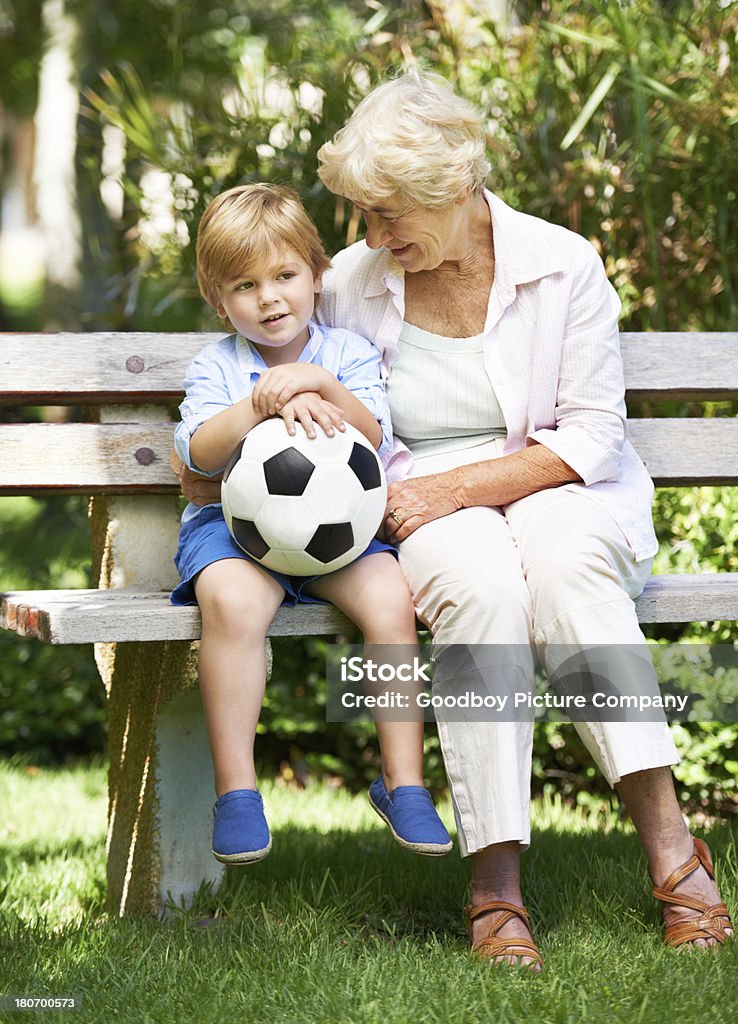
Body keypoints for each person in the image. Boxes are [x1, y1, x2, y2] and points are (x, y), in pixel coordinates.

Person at [174, 77, 733, 966]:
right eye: (361, 214)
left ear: (453, 187)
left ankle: (675, 855)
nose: (372, 236)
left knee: (570, 573)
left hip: (558, 480)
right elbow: (298, 404)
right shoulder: (354, 281)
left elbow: (591, 435)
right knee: (476, 592)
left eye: (388, 214)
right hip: (415, 490)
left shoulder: (563, 264)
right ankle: (496, 883)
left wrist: (468, 488)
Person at [171, 183, 452, 865]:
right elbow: (198, 453)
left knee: (392, 599)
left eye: (285, 276)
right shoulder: (218, 366)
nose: (269, 298)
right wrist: (256, 407)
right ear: (219, 300)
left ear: (317, 277)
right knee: (232, 602)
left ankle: (404, 781)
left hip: (342, 535)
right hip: (236, 536)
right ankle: (237, 790)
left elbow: (374, 436)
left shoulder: (345, 355)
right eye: (245, 285)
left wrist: (319, 387)